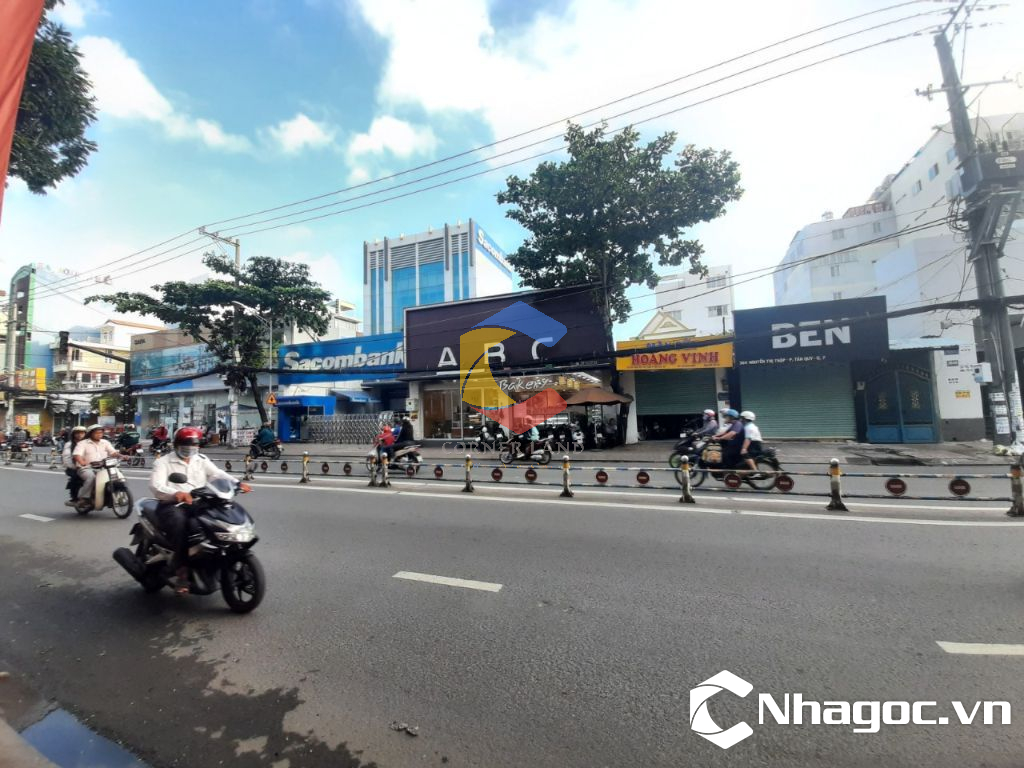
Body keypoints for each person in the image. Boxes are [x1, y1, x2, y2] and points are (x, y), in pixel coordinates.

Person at [149, 427, 251, 594]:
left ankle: (212, 557)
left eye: (193, 447)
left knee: (218, 520)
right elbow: (156, 485)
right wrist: (177, 493)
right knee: (181, 525)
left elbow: (217, 474)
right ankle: (181, 570)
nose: (189, 451)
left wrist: (237, 483)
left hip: (198, 502)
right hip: (173, 504)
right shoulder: (163, 462)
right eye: (185, 447)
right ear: (176, 445)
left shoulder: (201, 459)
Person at [73, 424, 125, 509]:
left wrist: (122, 456)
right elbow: (77, 455)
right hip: (87, 468)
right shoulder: (82, 443)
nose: (99, 435)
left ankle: (118, 494)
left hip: (104, 467)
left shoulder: (105, 442)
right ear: (90, 434)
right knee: (91, 477)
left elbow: (113, 452)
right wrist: (82, 462)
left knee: (118, 475)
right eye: (96, 433)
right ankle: (84, 498)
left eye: (101, 433)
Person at [61, 425, 87, 505]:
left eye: (82, 433)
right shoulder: (69, 444)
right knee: (76, 478)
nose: (80, 435)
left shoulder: (89, 443)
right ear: (73, 434)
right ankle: (75, 498)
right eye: (77, 433)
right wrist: (74, 467)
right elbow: (67, 457)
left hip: (89, 466)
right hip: (74, 467)